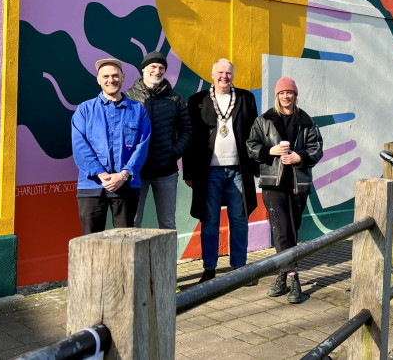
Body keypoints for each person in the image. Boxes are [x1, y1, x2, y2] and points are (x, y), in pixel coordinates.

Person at [246, 76, 323, 303]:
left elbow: (317, 149)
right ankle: (293, 279)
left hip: (298, 184)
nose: (286, 96)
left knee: (292, 231)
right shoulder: (264, 120)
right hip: (273, 184)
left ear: (295, 95)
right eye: (282, 93)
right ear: (277, 96)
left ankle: (282, 275)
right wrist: (270, 151)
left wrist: (300, 156)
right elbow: (251, 146)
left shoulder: (306, 121)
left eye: (290, 93)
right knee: (280, 230)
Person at [183, 58, 259, 283]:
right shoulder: (197, 100)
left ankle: (239, 268)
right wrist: (189, 172)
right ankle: (209, 269)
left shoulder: (246, 98)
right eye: (220, 72)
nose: (224, 76)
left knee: (239, 219)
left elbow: (256, 135)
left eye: (228, 73)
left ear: (233, 75)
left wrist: (256, 167)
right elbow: (190, 138)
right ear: (212, 75)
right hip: (208, 173)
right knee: (210, 221)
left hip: (238, 169)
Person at [72, 58, 151, 234]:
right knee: (91, 243)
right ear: (98, 80)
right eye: (105, 76)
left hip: (126, 185)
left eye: (115, 76)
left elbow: (142, 146)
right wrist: (102, 175)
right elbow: (80, 147)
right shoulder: (84, 110)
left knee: (125, 243)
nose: (111, 80)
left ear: (123, 77)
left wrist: (123, 175)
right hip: (91, 186)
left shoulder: (138, 110)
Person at [125, 51, 192, 230]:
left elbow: (187, 131)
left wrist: (174, 153)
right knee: (132, 223)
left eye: (161, 67)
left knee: (168, 224)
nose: (157, 71)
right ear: (143, 69)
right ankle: (134, 259)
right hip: (135, 172)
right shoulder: (128, 97)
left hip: (166, 171)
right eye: (153, 67)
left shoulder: (175, 98)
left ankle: (168, 260)